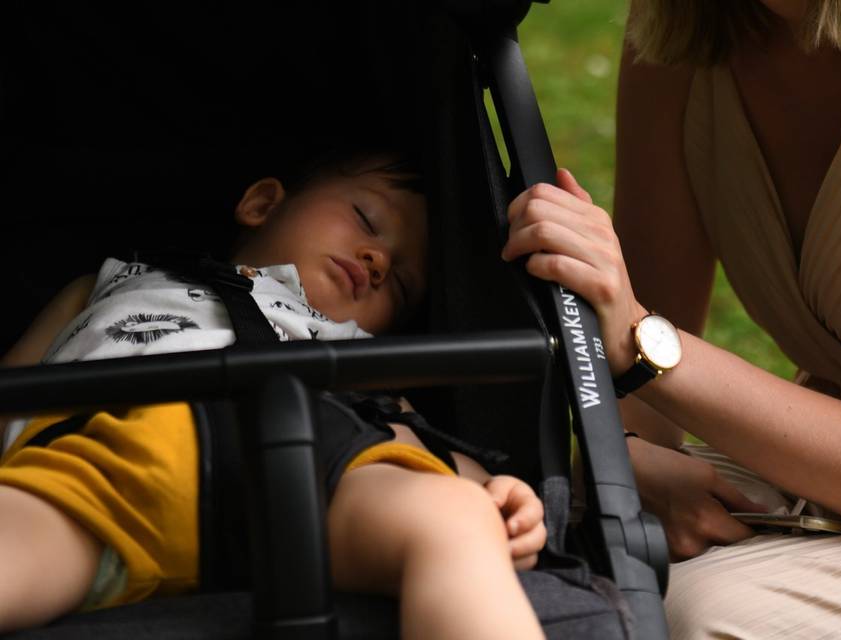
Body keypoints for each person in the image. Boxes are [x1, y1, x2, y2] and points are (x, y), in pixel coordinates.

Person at [502, 0, 841, 636]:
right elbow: (644, 406)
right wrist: (628, 455)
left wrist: (641, 338)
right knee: (534, 548)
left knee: (704, 612)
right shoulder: (686, 32)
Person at [0, 150, 548, 640]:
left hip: (320, 462)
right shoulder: (112, 282)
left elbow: (410, 436)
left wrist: (487, 491)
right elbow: (14, 391)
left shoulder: (362, 357)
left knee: (452, 517)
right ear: (262, 204)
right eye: (366, 220)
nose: (379, 261)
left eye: (400, 285)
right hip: (118, 454)